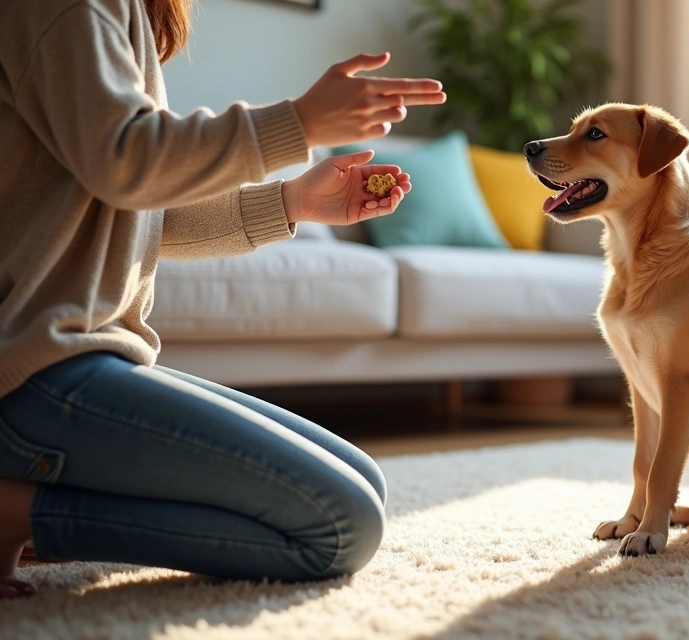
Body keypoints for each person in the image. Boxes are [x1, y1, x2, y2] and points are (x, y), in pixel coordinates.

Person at [0, 0, 446, 598]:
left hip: (74, 359)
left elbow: (138, 208)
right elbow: (127, 161)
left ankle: (33, 500)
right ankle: (16, 512)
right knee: (341, 526)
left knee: (363, 480)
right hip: (29, 371)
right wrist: (300, 122)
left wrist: (291, 201)